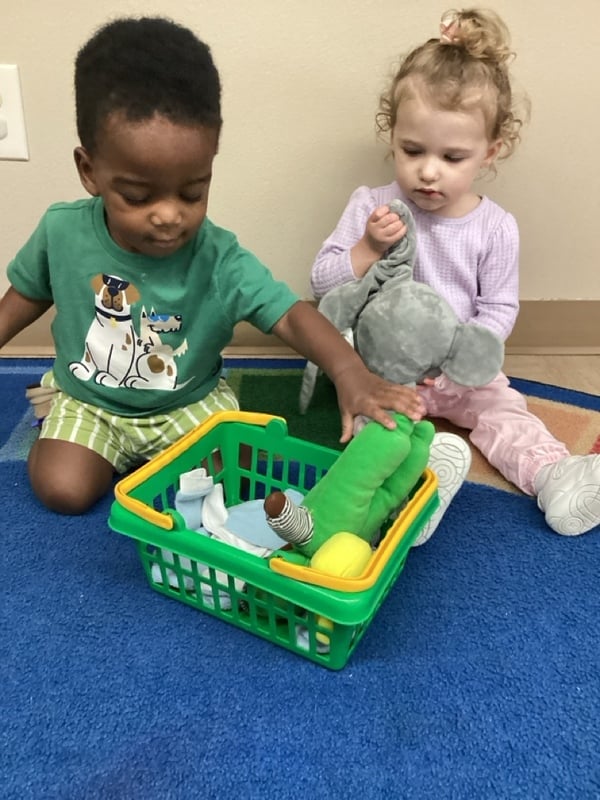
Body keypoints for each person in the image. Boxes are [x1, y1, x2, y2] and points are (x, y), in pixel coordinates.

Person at [0, 15, 429, 516]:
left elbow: (290, 314)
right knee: (62, 490)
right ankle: (127, 454)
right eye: (137, 196)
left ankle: (165, 459)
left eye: (192, 191)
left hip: (187, 404)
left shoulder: (219, 257)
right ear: (89, 170)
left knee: (249, 473)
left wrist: (350, 371)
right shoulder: (61, 230)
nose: (168, 216)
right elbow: (27, 294)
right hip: (90, 402)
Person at [310, 8, 600, 537]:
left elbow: (498, 308)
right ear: (391, 135)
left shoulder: (495, 228)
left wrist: (460, 363)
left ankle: (557, 474)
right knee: (375, 428)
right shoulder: (372, 206)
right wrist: (368, 247)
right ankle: (413, 494)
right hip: (385, 372)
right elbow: (325, 283)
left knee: (504, 410)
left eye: (452, 156)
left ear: (490, 152)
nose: (428, 171)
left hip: (464, 368)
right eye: (412, 150)